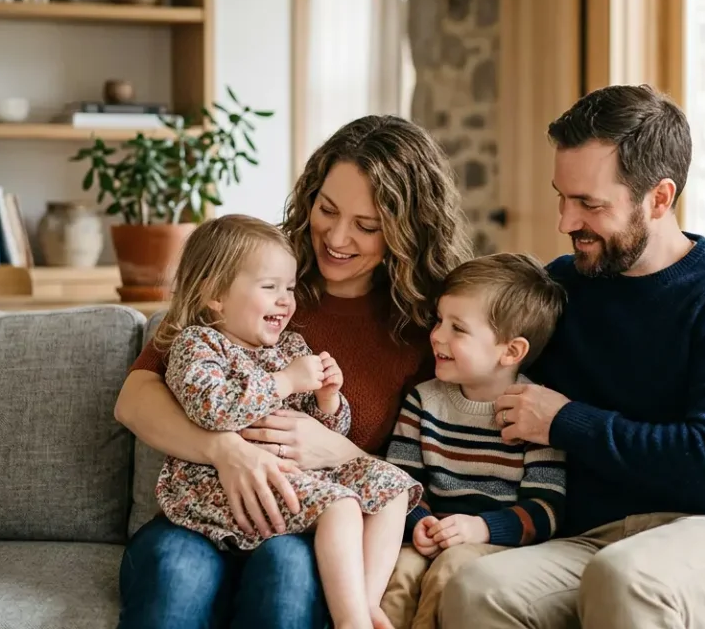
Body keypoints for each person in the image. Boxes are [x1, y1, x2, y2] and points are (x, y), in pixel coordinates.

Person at [438, 85, 705, 629]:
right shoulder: (562, 286)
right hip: (594, 537)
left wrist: (566, 421)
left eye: (589, 203)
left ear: (658, 198)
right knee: (477, 588)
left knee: (627, 579)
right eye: (561, 196)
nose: (565, 221)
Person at [115, 115, 473, 629]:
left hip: (307, 526)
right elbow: (135, 396)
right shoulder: (255, 273)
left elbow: (424, 473)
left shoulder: (426, 329)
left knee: (288, 577)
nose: (337, 236)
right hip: (200, 513)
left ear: (408, 230)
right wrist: (225, 450)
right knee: (177, 572)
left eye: (367, 226)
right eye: (326, 209)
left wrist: (339, 449)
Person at [152, 214, 424, 629]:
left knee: (393, 487)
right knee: (342, 506)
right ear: (215, 295)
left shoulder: (288, 348)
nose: (285, 300)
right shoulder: (198, 344)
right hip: (216, 486)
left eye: (290, 288)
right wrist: (285, 380)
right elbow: (214, 409)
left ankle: (366, 603)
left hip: (291, 474)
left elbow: (323, 438)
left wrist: (328, 401)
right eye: (269, 288)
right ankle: (351, 621)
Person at [378, 253, 568, 629]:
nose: (436, 335)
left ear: (510, 351)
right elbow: (399, 482)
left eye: (457, 328)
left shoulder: (534, 412)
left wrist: (481, 528)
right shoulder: (423, 400)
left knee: (450, 570)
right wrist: (419, 521)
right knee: (399, 572)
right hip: (426, 534)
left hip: (493, 545)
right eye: (439, 320)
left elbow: (547, 510)